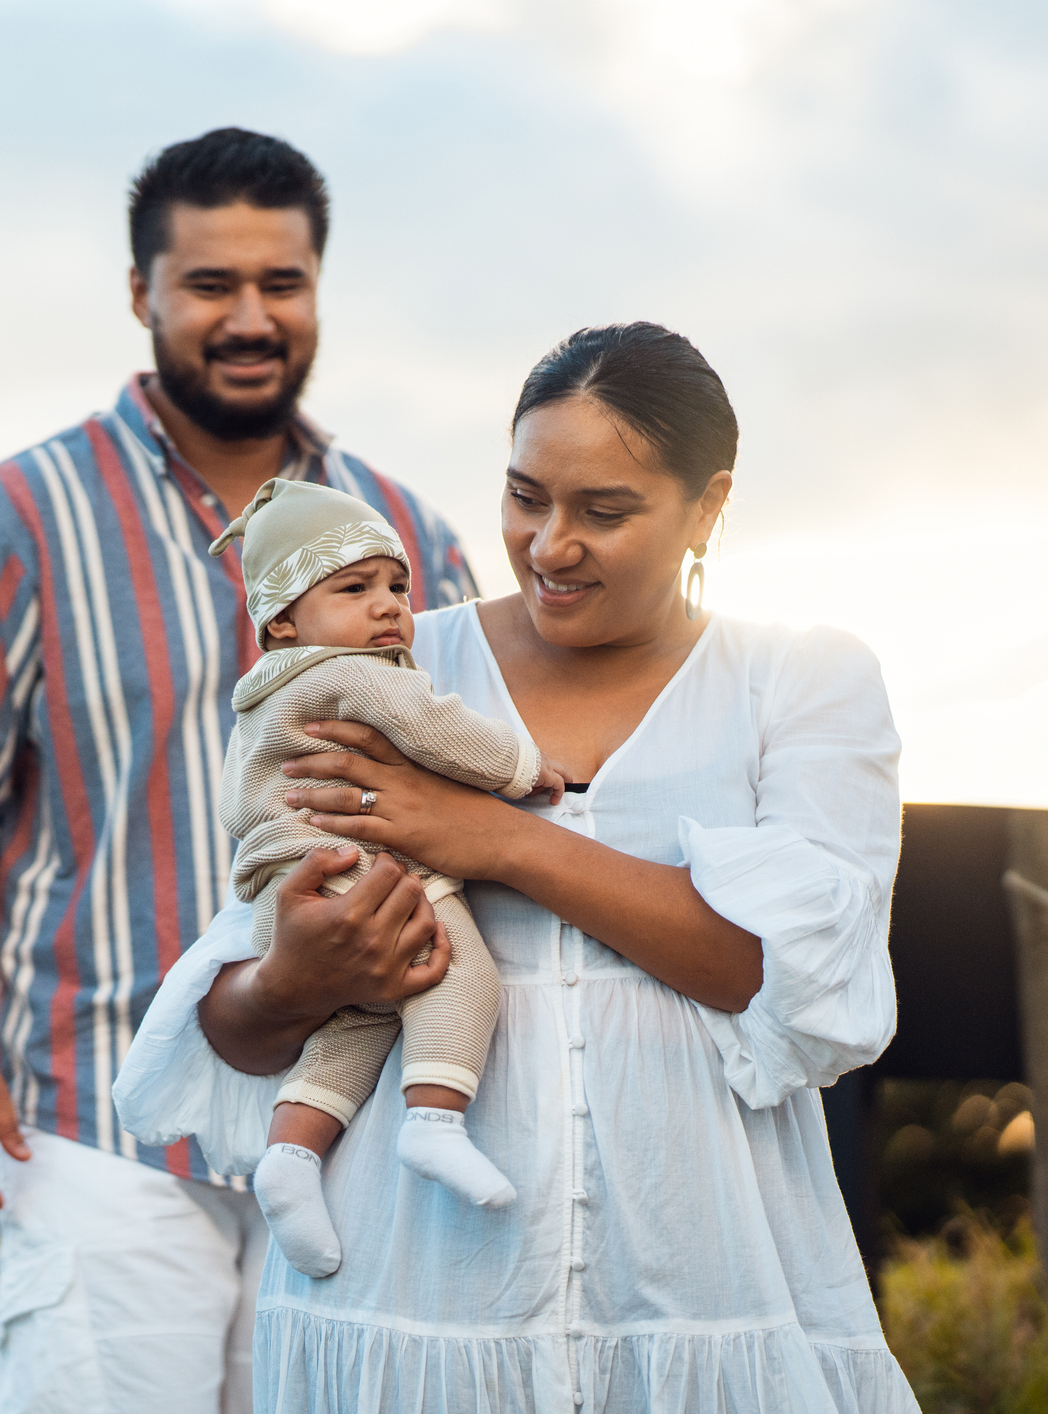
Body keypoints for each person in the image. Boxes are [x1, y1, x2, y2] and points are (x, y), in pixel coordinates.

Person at [116, 322, 922, 1412]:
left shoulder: (799, 680)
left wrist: (491, 837)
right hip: (413, 1290)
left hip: (700, 1285)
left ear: (707, 504)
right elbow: (236, 1020)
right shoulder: (383, 660)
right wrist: (299, 975)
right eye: (523, 497)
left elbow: (779, 975)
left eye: (603, 510)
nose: (548, 545)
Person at [0, 128, 478, 1414]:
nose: (249, 317)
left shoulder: (411, 534)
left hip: (349, 1119)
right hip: (99, 1121)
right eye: (209, 285)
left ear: (316, 289)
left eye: (281, 283)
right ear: (139, 293)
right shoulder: (16, 517)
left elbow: (477, 800)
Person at [207, 478, 567, 1279]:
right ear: (283, 621)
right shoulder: (357, 674)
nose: (388, 607)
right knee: (458, 970)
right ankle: (435, 1123)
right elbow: (435, 728)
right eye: (354, 588)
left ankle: (291, 1159)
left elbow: (239, 805)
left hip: (285, 896)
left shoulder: (258, 703)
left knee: (359, 1023)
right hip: (357, 870)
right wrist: (523, 767)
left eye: (397, 585)